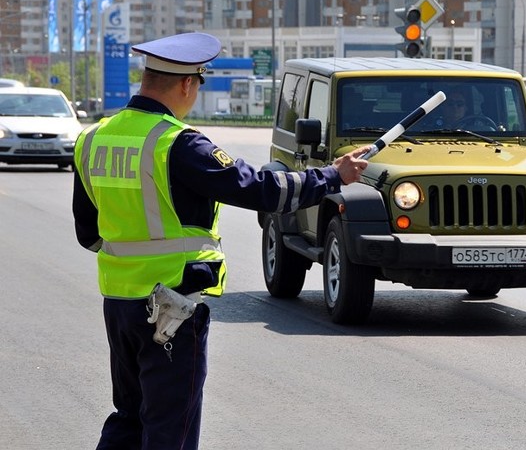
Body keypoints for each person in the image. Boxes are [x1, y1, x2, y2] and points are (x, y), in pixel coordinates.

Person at [72, 32, 370, 450]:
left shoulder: (93, 139)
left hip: (118, 305)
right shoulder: (177, 143)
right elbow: (263, 190)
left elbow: (88, 234)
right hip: (170, 309)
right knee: (169, 428)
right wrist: (333, 176)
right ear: (186, 84)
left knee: (129, 418)